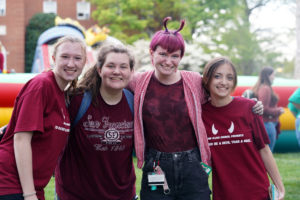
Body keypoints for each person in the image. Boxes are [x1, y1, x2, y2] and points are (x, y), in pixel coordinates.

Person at [128, 17, 262, 200]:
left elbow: (220, 95)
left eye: (174, 56)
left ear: (181, 57)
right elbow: (110, 80)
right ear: (152, 53)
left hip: (192, 165)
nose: (168, 61)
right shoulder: (138, 82)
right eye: (163, 54)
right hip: (156, 166)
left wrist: (250, 104)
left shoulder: (194, 81)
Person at [0, 35, 86, 200]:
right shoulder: (42, 85)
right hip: (9, 183)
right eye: (65, 57)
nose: (71, 63)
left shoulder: (61, 93)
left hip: (30, 186)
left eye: (77, 58)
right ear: (53, 59)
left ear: (84, 63)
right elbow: (21, 140)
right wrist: (29, 194)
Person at [55, 44, 137, 200]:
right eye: (110, 66)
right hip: (75, 195)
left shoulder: (134, 102)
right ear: (99, 70)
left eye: (123, 67)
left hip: (122, 195)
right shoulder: (77, 100)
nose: (117, 71)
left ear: (131, 72)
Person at [201, 57, 285, 200]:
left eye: (229, 77)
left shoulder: (249, 108)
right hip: (224, 194)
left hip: (257, 192)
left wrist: (280, 187)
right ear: (207, 79)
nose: (223, 82)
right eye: (217, 76)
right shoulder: (201, 114)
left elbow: (264, 150)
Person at [252, 67, 284, 152]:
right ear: (268, 75)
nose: (274, 77)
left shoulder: (263, 87)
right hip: (267, 123)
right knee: (268, 153)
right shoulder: (265, 89)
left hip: (267, 123)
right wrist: (278, 110)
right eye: (273, 75)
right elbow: (264, 109)